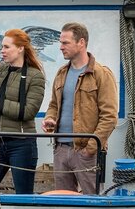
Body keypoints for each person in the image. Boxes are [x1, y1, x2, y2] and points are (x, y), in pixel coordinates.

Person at [42, 22, 118, 195]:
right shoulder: (61, 73)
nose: (60, 47)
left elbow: (110, 117)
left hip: (87, 153)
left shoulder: (101, 74)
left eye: (65, 43)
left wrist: (90, 148)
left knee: (93, 202)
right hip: (61, 149)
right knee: (63, 203)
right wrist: (49, 119)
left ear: (81, 42)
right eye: (61, 43)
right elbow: (53, 105)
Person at [0, 28, 46, 194]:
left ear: (20, 48)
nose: (1, 51)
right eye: (1, 47)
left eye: (6, 47)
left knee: (23, 197)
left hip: (21, 143)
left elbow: (28, 112)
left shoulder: (35, 76)